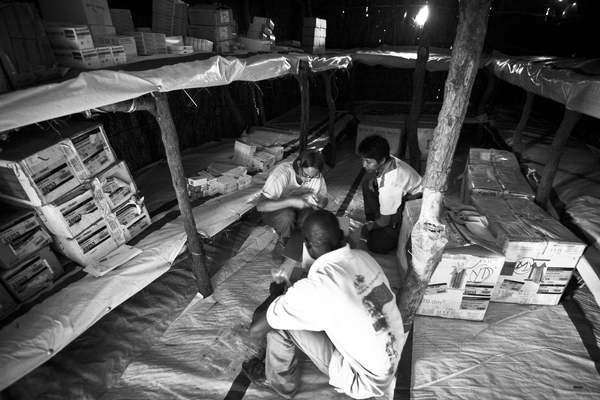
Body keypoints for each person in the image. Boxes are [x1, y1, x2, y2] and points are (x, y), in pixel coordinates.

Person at [243, 210, 406, 399]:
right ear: (341, 235)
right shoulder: (363, 257)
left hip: (364, 380)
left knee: (279, 323)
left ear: (307, 245)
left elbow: (256, 329)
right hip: (392, 356)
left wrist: (277, 292)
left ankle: (280, 384)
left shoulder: (319, 286)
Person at [257, 149, 328, 264]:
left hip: (298, 210)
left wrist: (320, 201)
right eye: (305, 175)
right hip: (275, 211)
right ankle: (283, 240)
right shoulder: (282, 173)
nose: (308, 179)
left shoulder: (317, 176)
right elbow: (261, 206)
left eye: (312, 177)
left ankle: (296, 236)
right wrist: (291, 202)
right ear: (299, 164)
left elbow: (324, 201)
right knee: (287, 216)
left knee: (310, 215)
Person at [357, 135, 423, 254]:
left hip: (416, 205)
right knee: (368, 185)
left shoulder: (389, 187)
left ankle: (396, 228)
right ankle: (378, 219)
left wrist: (366, 229)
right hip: (408, 193)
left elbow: (384, 221)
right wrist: (377, 179)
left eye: (368, 162)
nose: (363, 165)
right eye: (363, 160)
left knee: (375, 244)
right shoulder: (390, 159)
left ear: (382, 160)